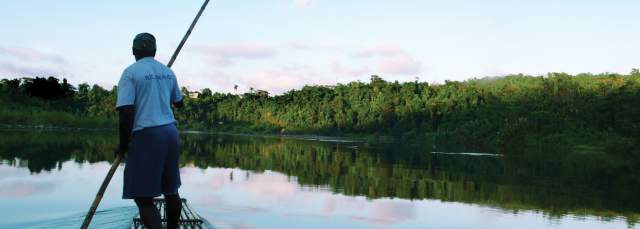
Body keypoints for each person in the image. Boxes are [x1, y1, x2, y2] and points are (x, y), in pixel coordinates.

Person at [115, 32, 184, 229]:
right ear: (154, 51)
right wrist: (162, 85)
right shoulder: (167, 72)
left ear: (133, 51)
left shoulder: (130, 73)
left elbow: (126, 112)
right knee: (171, 191)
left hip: (148, 135)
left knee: (144, 198)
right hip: (170, 133)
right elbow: (179, 103)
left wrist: (123, 145)